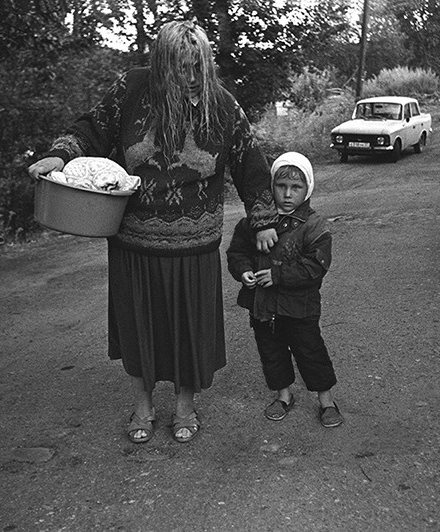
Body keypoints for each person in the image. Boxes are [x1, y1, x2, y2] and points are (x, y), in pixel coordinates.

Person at [27, 21, 279, 444]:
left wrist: (264, 220)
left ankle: (184, 406)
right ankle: (142, 406)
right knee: (139, 326)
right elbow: (92, 128)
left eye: (199, 66)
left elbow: (249, 162)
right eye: (183, 67)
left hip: (194, 246)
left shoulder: (222, 105)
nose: (193, 76)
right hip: (134, 242)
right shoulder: (132, 89)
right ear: (162, 65)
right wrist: (60, 154)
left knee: (189, 329)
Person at [226, 152, 344, 428]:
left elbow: (316, 265)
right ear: (271, 187)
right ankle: (283, 396)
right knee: (272, 353)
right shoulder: (253, 223)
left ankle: (326, 400)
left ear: (308, 188)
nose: (288, 194)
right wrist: (243, 271)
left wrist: (278, 275)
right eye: (281, 186)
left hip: (300, 307)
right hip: (263, 307)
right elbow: (237, 253)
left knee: (310, 351)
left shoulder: (314, 226)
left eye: (296, 187)